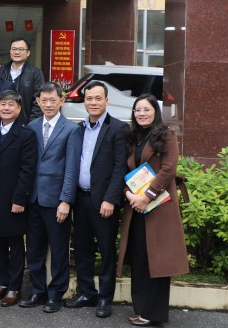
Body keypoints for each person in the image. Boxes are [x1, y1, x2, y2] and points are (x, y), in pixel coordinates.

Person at [117, 94, 188, 327]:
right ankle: (141, 309)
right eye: (137, 110)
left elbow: (168, 170)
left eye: (146, 109)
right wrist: (129, 195)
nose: (142, 114)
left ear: (155, 112)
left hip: (159, 207)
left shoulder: (166, 135)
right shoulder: (134, 137)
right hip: (136, 207)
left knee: (158, 261)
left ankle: (153, 313)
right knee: (139, 258)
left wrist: (146, 197)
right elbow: (127, 171)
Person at [65, 81, 128, 318]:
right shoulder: (79, 128)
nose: (93, 102)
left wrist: (111, 199)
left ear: (106, 101)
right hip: (81, 199)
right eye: (89, 98)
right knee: (82, 249)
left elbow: (120, 167)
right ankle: (87, 293)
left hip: (104, 202)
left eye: (98, 98)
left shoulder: (118, 129)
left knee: (106, 251)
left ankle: (104, 298)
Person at [20, 82, 81, 313]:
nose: (48, 104)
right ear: (37, 102)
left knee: (58, 250)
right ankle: (38, 290)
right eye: (43, 100)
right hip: (33, 198)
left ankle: (56, 294)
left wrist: (66, 200)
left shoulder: (71, 129)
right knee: (34, 249)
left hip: (56, 200)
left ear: (61, 101)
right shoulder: (32, 126)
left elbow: (72, 168)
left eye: (52, 100)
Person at [0, 91, 37, 307]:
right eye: (3, 104)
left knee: (14, 244)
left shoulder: (26, 134)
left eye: (11, 105)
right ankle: (1, 283)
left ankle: (14, 287)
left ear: (19, 108)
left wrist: (19, 199)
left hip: (13, 199)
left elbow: (27, 170)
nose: (6, 108)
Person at [0, 38, 44, 123]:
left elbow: (38, 101)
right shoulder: (1, 71)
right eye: (14, 49)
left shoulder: (35, 73)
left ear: (28, 53)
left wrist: (32, 124)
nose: (16, 52)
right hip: (2, 123)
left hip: (25, 123)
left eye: (21, 49)